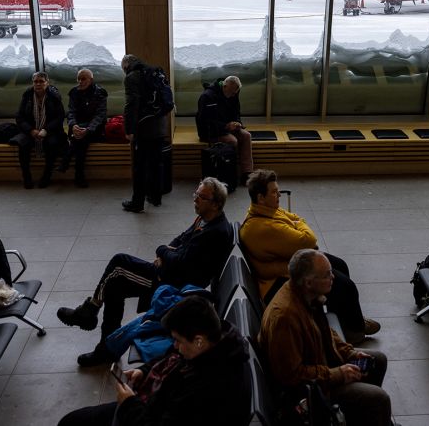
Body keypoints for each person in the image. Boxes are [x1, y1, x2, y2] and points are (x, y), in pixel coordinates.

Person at [56, 178, 234, 367]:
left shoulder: (215, 232)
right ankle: (104, 346)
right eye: (195, 194)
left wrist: (161, 251)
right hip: (172, 273)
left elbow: (180, 263)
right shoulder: (204, 218)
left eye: (201, 197)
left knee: (119, 263)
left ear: (216, 204)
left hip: (174, 286)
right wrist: (169, 252)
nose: (195, 199)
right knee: (115, 284)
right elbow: (180, 239)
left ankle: (91, 311)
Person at [56, 296, 251, 426]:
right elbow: (171, 357)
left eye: (178, 340)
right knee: (72, 421)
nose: (174, 345)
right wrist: (144, 370)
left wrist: (129, 404)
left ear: (198, 341)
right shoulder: (212, 339)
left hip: (147, 412)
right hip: (151, 402)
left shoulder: (213, 388)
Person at [240, 169, 379, 344]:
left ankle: (348, 319)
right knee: (344, 285)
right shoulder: (262, 227)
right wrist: (300, 225)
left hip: (289, 262)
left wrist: (298, 224)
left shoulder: (267, 211)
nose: (279, 196)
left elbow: (296, 220)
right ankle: (354, 331)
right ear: (260, 197)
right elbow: (308, 240)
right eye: (274, 192)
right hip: (278, 282)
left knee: (339, 265)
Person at [259, 249, 393, 426]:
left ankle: (364, 417)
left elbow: (326, 333)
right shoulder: (285, 318)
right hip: (309, 395)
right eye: (327, 274)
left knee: (378, 360)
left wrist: (349, 353)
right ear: (308, 282)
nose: (333, 277)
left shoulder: (307, 296)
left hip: (319, 366)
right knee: (379, 398)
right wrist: (337, 374)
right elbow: (291, 376)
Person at [121, 54, 171, 213]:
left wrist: (129, 130)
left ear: (127, 65)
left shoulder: (132, 77)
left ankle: (137, 202)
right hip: (160, 126)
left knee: (140, 166)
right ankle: (156, 197)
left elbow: (132, 105)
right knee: (157, 163)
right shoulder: (156, 73)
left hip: (144, 128)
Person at [13, 71, 66, 189]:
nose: (38, 84)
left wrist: (46, 130)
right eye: (35, 81)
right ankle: (26, 176)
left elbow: (60, 117)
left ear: (47, 83)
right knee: (23, 144)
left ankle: (47, 175)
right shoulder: (27, 95)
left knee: (51, 144)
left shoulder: (54, 96)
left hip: (50, 130)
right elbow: (19, 116)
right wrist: (31, 130)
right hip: (30, 130)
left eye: (41, 81)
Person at [196, 75, 252, 182]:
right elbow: (204, 121)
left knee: (246, 136)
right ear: (225, 86)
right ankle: (230, 173)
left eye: (234, 93)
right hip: (210, 131)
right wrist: (225, 126)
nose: (233, 95)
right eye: (231, 93)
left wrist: (237, 123)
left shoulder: (233, 93)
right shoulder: (207, 96)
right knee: (232, 141)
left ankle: (247, 173)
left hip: (227, 128)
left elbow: (236, 112)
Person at [59, 68, 108, 188]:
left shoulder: (100, 93)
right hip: (78, 129)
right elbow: (71, 112)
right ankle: (78, 176)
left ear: (91, 80)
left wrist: (88, 129)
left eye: (83, 79)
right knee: (81, 140)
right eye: (78, 79)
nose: (80, 81)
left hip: (95, 129)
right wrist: (73, 125)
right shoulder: (74, 92)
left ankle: (66, 161)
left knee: (81, 139)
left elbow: (100, 115)